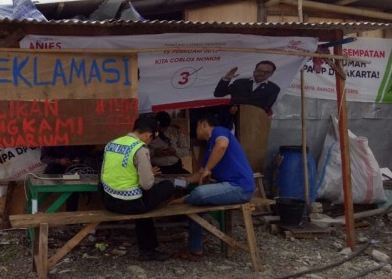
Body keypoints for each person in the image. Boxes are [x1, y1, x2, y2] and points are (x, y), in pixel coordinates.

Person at [168, 113, 255, 260]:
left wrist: (208, 169)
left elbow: (222, 146)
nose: (195, 130)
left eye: (196, 126)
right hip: (227, 186)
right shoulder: (210, 149)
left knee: (200, 193)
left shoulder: (220, 132)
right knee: (195, 205)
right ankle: (195, 249)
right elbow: (200, 174)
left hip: (239, 188)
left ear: (203, 124)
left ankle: (185, 199)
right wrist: (185, 181)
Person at [99, 116, 174, 261]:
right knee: (166, 186)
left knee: (141, 196)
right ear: (148, 134)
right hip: (130, 204)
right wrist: (149, 174)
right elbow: (146, 184)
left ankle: (148, 249)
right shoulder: (140, 149)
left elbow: (104, 174)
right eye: (151, 139)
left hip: (108, 200)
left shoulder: (111, 144)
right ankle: (148, 250)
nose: (149, 142)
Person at [40, 145, 102, 211]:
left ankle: (71, 216)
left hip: (72, 170)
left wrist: (79, 160)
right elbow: (44, 157)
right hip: (54, 171)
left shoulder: (76, 138)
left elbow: (84, 154)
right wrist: (59, 161)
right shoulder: (52, 138)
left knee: (73, 191)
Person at [213, 60, 280, 113]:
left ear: (271, 74)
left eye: (266, 72)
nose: (262, 74)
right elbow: (218, 94)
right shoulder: (240, 82)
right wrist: (226, 79)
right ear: (254, 71)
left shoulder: (274, 89)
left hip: (254, 121)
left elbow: (266, 108)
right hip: (232, 119)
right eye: (259, 71)